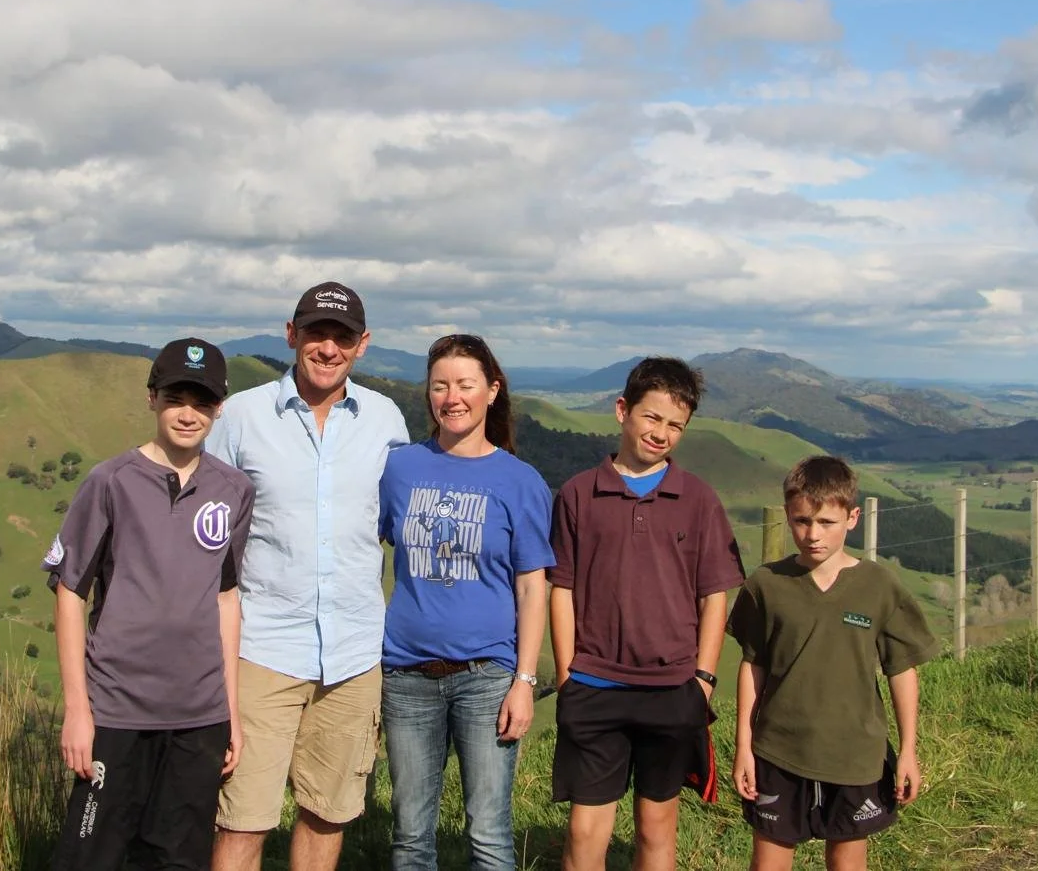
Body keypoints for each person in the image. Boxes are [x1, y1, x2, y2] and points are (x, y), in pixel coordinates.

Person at [207, 282, 410, 871]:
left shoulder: (384, 419)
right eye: (315, 333)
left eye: (342, 336)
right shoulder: (241, 416)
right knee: (242, 818)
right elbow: (203, 525)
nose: (328, 347)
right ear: (291, 334)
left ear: (363, 345)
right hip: (262, 649)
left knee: (326, 814)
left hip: (352, 654)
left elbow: (401, 517)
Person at [43, 338, 253, 871]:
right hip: (117, 709)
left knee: (179, 859)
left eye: (202, 401)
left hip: (199, 715)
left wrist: (230, 711)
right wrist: (77, 711)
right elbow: (70, 591)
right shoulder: (109, 482)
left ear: (219, 407)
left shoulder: (233, 490)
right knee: (94, 856)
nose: (189, 413)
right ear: (152, 399)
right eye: (176, 397)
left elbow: (226, 597)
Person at [548, 356, 744, 871]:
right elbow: (561, 588)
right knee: (585, 833)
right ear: (622, 411)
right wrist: (569, 673)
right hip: (594, 685)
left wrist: (702, 677)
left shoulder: (699, 499)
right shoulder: (577, 494)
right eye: (651, 417)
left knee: (658, 831)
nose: (661, 433)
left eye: (675, 425)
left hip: (672, 688)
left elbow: (714, 594)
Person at [379, 334, 554, 871]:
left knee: (490, 832)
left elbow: (532, 586)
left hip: (486, 676)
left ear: (492, 391)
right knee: (410, 833)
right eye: (440, 385)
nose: (452, 397)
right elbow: (370, 548)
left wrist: (523, 682)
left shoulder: (520, 481)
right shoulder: (400, 468)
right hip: (405, 674)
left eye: (465, 384)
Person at [728, 455, 938, 871]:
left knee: (847, 862)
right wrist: (743, 747)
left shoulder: (879, 586)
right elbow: (753, 666)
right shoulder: (766, 585)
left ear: (852, 517)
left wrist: (909, 750)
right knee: (767, 862)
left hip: (855, 755)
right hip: (778, 751)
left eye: (826, 522)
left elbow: (901, 670)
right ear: (788, 516)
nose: (813, 535)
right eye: (802, 521)